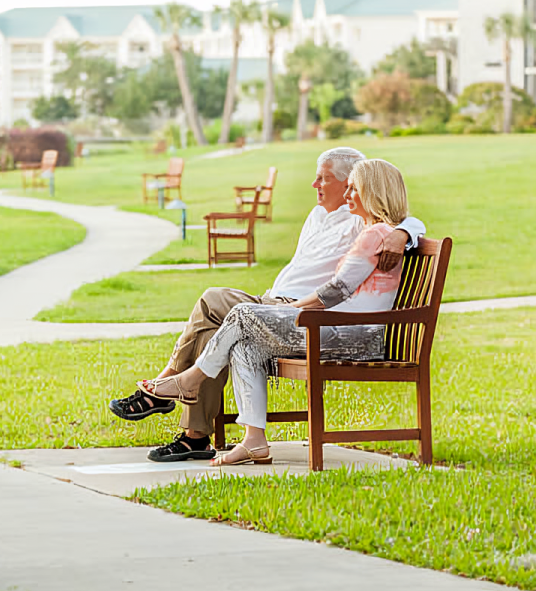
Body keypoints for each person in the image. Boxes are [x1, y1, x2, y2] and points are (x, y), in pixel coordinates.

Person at [109, 148, 425, 463]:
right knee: (225, 329)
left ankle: (175, 386)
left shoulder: (360, 222)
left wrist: (403, 232)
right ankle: (211, 434)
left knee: (220, 305)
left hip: (306, 315)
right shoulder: (319, 215)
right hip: (281, 304)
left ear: (354, 185)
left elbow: (396, 221)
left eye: (326, 178)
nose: (315, 184)